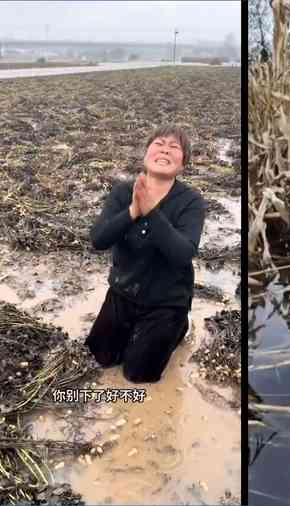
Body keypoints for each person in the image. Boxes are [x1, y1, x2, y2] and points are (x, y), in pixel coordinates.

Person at [86, 125, 207, 383]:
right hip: (122, 293)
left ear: (183, 163)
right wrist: (133, 211)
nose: (165, 149)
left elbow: (183, 253)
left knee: (137, 375)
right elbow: (98, 240)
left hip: (166, 302)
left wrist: (152, 211)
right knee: (100, 359)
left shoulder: (191, 202)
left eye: (174, 147)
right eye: (159, 144)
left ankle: (179, 328)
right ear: (146, 154)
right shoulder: (122, 192)